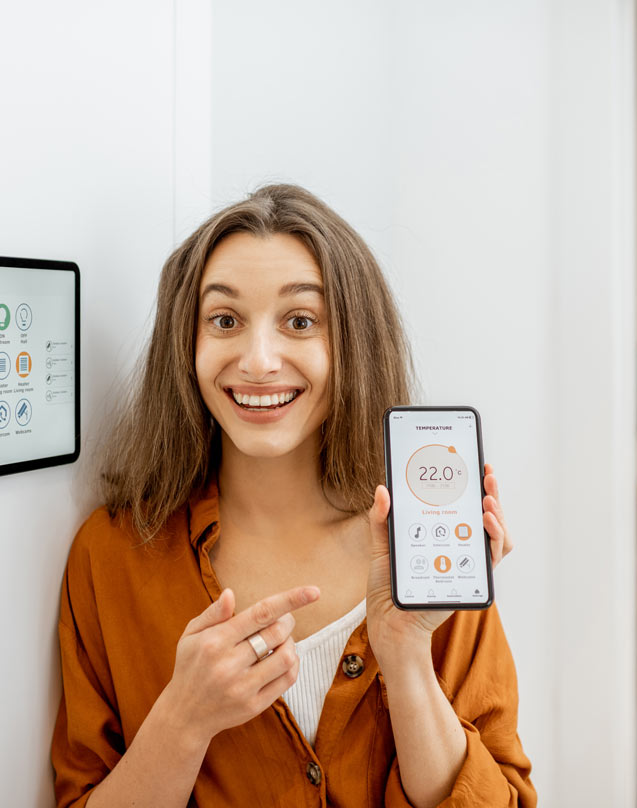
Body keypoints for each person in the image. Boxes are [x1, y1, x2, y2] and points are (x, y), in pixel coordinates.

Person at [51, 184, 536, 807]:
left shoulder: (427, 551)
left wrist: (408, 655)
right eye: (224, 320)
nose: (258, 360)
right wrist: (184, 720)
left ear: (353, 344)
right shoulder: (111, 556)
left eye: (300, 321)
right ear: (186, 343)